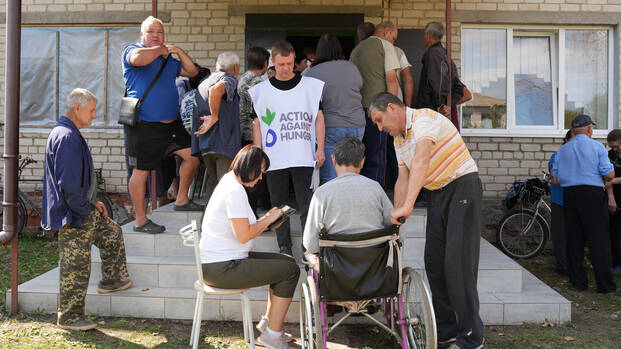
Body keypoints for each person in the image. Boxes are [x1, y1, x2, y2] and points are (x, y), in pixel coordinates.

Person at [369, 92, 484, 349]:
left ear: (391, 108)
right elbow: (403, 178)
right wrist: (397, 218)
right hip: (438, 193)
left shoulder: (424, 119)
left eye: (379, 120)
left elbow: (421, 160)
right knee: (433, 262)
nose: (379, 127)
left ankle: (472, 338)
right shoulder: (399, 139)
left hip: (462, 187)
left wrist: (409, 205)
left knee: (458, 264)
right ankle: (446, 332)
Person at [42, 88, 131, 331]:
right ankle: (69, 318)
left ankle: (111, 279)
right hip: (73, 215)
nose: (93, 116)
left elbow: (76, 181)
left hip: (82, 209)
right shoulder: (67, 137)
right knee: (76, 267)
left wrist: (93, 203)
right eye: (91, 111)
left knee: (112, 233)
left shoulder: (69, 133)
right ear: (77, 108)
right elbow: (68, 185)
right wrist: (84, 211)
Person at [199, 145, 299, 349]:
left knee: (286, 262)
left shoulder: (229, 183)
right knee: (290, 271)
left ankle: (269, 325)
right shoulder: (234, 190)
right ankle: (272, 335)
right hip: (222, 267)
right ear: (249, 166)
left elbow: (242, 230)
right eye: (260, 172)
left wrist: (268, 221)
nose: (261, 178)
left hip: (224, 261)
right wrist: (268, 219)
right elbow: (243, 235)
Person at [123, 16, 201, 233]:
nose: (156, 35)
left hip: (171, 125)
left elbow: (192, 71)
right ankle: (140, 220)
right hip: (144, 124)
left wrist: (177, 51)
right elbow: (138, 59)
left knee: (193, 157)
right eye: (151, 32)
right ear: (142, 34)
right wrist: (160, 50)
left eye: (160, 32)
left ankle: (181, 199)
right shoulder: (132, 50)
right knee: (141, 172)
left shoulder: (168, 60)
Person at [249, 41, 326, 257]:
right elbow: (257, 124)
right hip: (275, 157)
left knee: (307, 204)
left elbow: (319, 118)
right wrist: (258, 153)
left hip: (303, 154)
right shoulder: (260, 91)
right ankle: (284, 248)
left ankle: (308, 248)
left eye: (290, 63)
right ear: (272, 62)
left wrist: (320, 147)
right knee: (278, 204)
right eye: (281, 64)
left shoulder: (310, 87)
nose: (286, 68)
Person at [551, 115, 619, 294]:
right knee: (599, 240)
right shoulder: (597, 146)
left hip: (570, 194)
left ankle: (578, 282)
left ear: (573, 131)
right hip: (592, 195)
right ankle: (605, 285)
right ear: (589, 129)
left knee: (574, 238)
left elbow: (555, 178)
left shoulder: (563, 150)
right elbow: (609, 175)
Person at [303, 136, 392, 257]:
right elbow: (395, 227)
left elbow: (310, 243)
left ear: (333, 160)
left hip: (335, 268)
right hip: (373, 265)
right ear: (362, 162)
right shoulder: (376, 188)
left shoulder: (321, 193)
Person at [305, 34, 366, 184]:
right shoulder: (352, 67)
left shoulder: (313, 72)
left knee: (331, 177)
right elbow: (360, 87)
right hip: (357, 125)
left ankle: (333, 206)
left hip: (330, 127)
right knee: (352, 174)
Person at [350, 24, 400, 187]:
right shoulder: (386, 46)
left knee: (360, 154)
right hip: (378, 110)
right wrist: (392, 110)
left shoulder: (356, 50)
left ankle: (361, 191)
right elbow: (391, 79)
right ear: (387, 32)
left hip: (357, 109)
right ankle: (375, 194)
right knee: (377, 155)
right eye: (393, 37)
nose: (393, 41)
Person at [193, 52, 242, 204]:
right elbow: (216, 91)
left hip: (206, 144)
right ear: (236, 67)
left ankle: (207, 224)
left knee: (213, 184)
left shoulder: (205, 80)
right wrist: (214, 116)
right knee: (226, 186)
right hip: (224, 142)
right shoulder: (229, 78)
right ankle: (225, 224)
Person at [416, 22, 464, 118]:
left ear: (428, 35)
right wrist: (448, 105)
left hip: (429, 113)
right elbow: (459, 89)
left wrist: (440, 105)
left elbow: (436, 83)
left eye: (425, 35)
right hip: (437, 114)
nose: (424, 38)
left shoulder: (433, 53)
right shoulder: (446, 55)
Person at [548, 130, 573, 275]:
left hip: (575, 201)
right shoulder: (556, 156)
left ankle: (574, 263)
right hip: (559, 201)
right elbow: (554, 177)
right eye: (572, 139)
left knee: (574, 234)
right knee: (560, 234)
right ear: (566, 140)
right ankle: (562, 265)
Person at [238, 47, 270, 146]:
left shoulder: (243, 78)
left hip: (241, 130)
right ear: (265, 63)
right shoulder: (258, 82)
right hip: (253, 133)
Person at [605, 129, 621, 275]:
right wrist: (611, 197)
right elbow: (607, 177)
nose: (615, 149)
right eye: (613, 147)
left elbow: (612, 180)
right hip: (615, 200)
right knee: (614, 234)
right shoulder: (610, 155)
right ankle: (616, 264)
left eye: (617, 146)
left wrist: (614, 181)